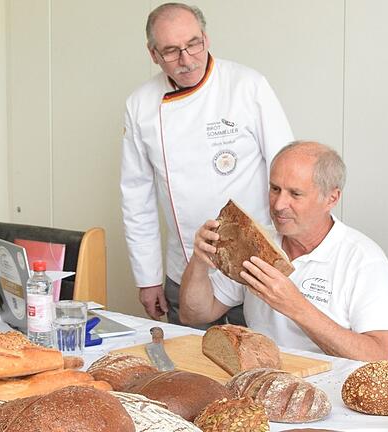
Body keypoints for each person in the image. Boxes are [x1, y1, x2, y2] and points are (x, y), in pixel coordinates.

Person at [120, 3, 293, 326]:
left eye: (193, 44)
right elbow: (136, 198)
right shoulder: (140, 104)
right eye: (171, 51)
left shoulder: (247, 85)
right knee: (189, 368)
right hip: (185, 267)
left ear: (206, 38)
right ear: (153, 54)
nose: (186, 60)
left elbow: (286, 169)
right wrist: (148, 278)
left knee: (257, 368)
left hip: (253, 265)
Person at [179, 141, 388, 361]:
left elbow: (378, 357)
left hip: (330, 389)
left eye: (295, 194)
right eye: (275, 189)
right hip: (261, 379)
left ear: (331, 198)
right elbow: (194, 314)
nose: (278, 205)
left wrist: (296, 307)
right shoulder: (255, 243)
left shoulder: (363, 259)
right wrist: (199, 262)